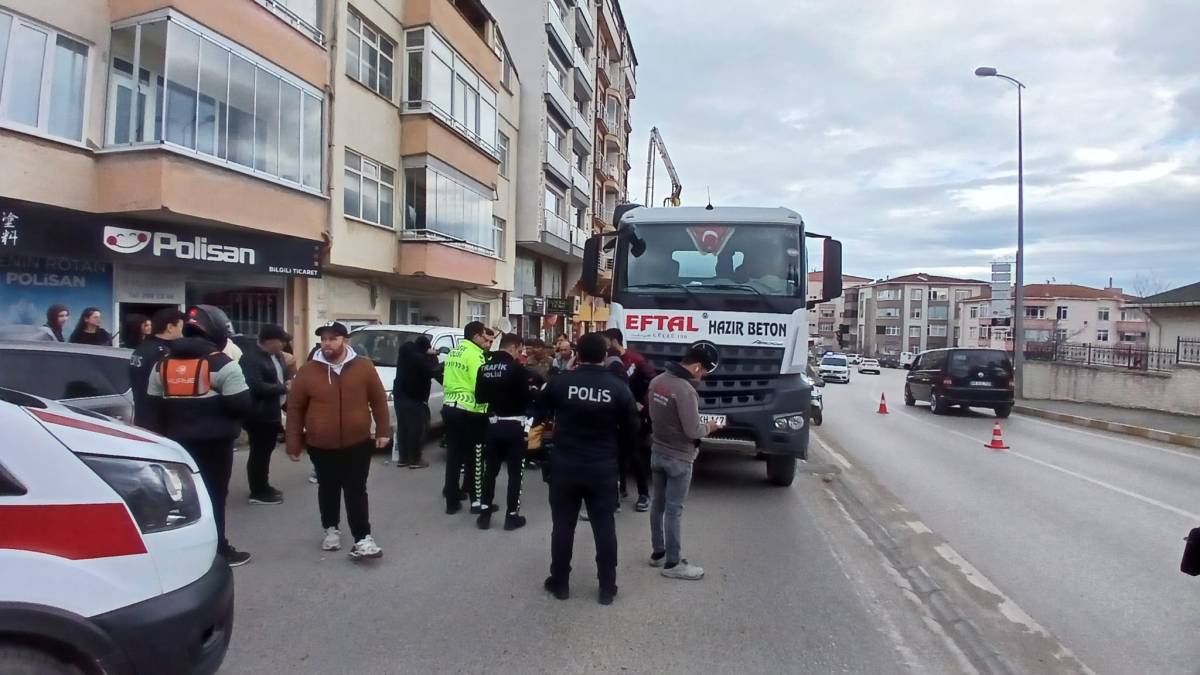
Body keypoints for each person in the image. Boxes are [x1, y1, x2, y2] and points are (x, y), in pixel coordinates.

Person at [145, 305, 253, 566]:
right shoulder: (224, 365)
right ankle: (218, 550)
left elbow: (152, 406)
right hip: (215, 446)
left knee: (179, 500)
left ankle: (181, 553)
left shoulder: (162, 364)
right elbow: (242, 405)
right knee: (214, 497)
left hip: (175, 445)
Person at [539, 333, 639, 605]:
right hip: (602, 466)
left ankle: (560, 582)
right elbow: (633, 430)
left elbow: (538, 413)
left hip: (565, 465)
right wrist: (619, 457)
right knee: (605, 526)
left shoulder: (561, 382)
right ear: (605, 356)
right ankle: (607, 586)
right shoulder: (618, 387)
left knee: (563, 526)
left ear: (577, 355)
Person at [286, 321, 391, 560]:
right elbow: (295, 408)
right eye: (323, 339)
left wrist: (383, 430)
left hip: (358, 441)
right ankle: (331, 528)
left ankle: (362, 537)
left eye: (333, 339)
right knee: (328, 488)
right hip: (321, 443)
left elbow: (378, 400)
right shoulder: (309, 371)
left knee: (356, 489)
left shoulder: (363, 367)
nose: (327, 343)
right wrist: (294, 442)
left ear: (345, 340)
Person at [647, 346, 722, 581]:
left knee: (657, 504)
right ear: (697, 366)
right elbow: (693, 430)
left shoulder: (657, 381)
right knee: (673, 510)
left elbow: (655, 415)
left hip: (657, 451)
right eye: (704, 372)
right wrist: (711, 426)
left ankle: (658, 552)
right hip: (679, 457)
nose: (702, 377)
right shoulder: (685, 390)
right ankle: (673, 563)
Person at [474, 333, 535, 531]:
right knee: (515, 474)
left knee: (489, 471)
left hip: (492, 425)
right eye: (519, 350)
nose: (520, 354)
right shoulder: (517, 369)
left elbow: (480, 398)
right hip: (514, 427)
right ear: (513, 348)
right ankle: (511, 516)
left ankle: (484, 514)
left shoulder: (484, 368)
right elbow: (526, 400)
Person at [441, 321, 496, 514]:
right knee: (475, 457)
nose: (485, 340)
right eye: (483, 336)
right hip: (471, 411)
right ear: (475, 336)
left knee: (454, 457)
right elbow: (481, 384)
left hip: (449, 408)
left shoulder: (454, 352)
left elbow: (445, 378)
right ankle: (476, 499)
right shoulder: (475, 355)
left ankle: (452, 501)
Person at [605, 328, 656, 511]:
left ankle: (643, 494)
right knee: (614, 454)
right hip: (611, 415)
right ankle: (620, 490)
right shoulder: (605, 362)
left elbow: (653, 382)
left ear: (613, 341)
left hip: (632, 415)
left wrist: (643, 404)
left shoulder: (636, 359)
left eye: (606, 341)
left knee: (634, 455)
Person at [241, 324, 292, 505]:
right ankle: (257, 491)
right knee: (259, 453)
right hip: (258, 415)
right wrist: (282, 388)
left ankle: (264, 485)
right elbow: (256, 387)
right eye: (281, 341)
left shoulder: (277, 355)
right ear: (269, 342)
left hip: (273, 412)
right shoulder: (250, 358)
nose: (284, 344)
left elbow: (282, 375)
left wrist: (287, 381)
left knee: (266, 451)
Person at [129, 307, 185, 429]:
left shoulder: (142, 348)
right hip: (161, 420)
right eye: (181, 327)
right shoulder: (164, 353)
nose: (182, 332)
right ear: (170, 327)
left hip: (142, 416)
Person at [392, 334, 440, 470]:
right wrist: (432, 355)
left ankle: (403, 458)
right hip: (414, 398)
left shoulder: (406, 353)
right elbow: (433, 369)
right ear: (425, 348)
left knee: (403, 428)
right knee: (416, 429)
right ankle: (415, 459)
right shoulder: (420, 359)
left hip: (399, 396)